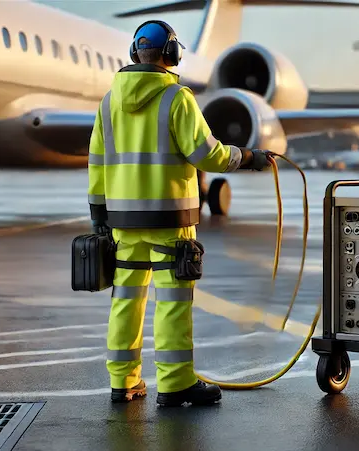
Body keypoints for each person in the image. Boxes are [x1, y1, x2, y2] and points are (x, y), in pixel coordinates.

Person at [87, 19, 270, 406]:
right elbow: (208, 154)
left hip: (122, 223)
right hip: (169, 223)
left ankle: (123, 383)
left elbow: (97, 164)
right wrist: (248, 157)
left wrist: (98, 215)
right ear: (171, 56)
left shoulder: (108, 102)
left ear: (135, 54)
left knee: (126, 301)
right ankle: (174, 385)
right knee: (171, 305)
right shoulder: (177, 99)